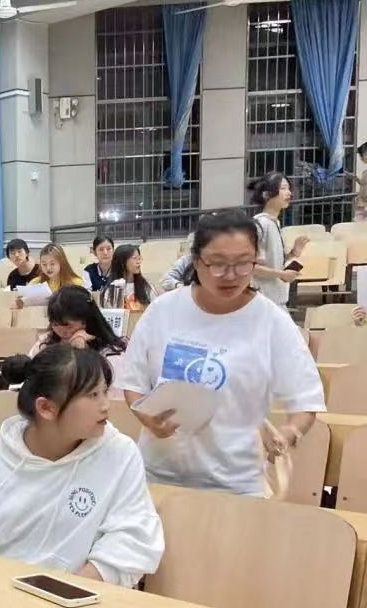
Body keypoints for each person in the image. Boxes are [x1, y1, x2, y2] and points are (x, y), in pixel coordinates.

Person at [120, 209, 325, 496]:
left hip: (238, 485)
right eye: (217, 264)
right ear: (196, 261)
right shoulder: (163, 311)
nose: (230, 275)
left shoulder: (272, 321)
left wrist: (288, 434)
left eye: (243, 263)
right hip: (157, 476)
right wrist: (147, 418)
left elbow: (306, 400)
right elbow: (133, 384)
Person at [0, 344, 164, 587]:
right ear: (46, 408)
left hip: (78, 597)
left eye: (105, 391)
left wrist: (72, 587)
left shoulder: (119, 453)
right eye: (93, 395)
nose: (106, 405)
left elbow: (133, 537)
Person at [26, 285, 127, 398]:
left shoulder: (111, 353)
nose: (61, 331)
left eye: (67, 325)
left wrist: (81, 351)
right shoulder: (45, 343)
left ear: (85, 320)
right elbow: (29, 380)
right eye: (55, 324)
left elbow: (115, 397)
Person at [250, 172, 307, 306]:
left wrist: (293, 253)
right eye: (283, 188)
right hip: (264, 299)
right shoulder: (261, 224)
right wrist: (281, 274)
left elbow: (272, 263)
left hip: (277, 298)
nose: (289, 193)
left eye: (288, 188)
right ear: (266, 195)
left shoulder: (274, 223)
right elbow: (250, 266)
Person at [104, 244, 154, 311]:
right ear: (122, 262)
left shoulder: (146, 286)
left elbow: (155, 307)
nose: (138, 262)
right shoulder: (111, 289)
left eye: (139, 258)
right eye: (134, 258)